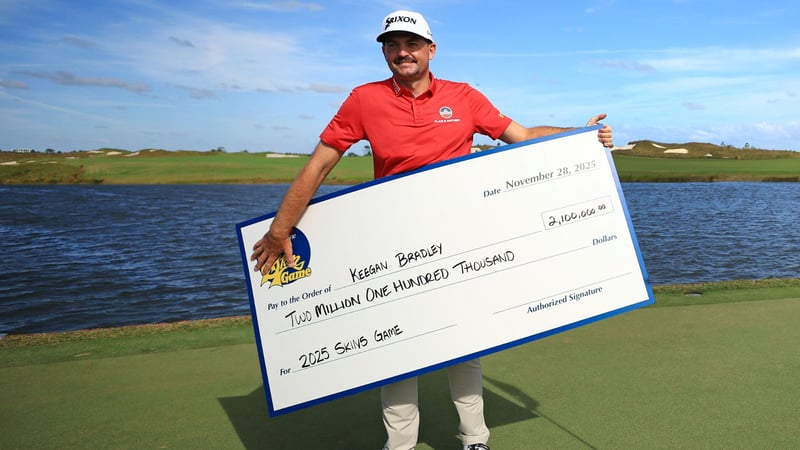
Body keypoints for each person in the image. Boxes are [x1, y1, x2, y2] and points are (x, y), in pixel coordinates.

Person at [251, 10, 613, 450]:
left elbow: (522, 135)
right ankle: (400, 444)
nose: (402, 52)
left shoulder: (463, 97)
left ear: (430, 49)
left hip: (460, 234)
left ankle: (475, 439)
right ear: (384, 51)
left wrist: (582, 136)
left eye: (411, 44)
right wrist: (280, 228)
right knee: (399, 348)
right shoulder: (364, 98)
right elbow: (321, 163)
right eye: (392, 45)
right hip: (393, 238)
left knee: (465, 339)